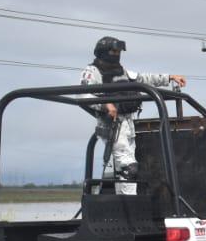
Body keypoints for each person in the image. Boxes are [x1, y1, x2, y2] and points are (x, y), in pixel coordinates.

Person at [80, 37, 186, 189]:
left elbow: (143, 79)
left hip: (128, 123)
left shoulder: (121, 71)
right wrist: (105, 105)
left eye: (118, 51)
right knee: (128, 168)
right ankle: (127, 200)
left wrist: (169, 78)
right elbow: (83, 94)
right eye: (114, 51)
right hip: (111, 124)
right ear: (103, 51)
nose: (117, 54)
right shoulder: (92, 71)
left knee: (126, 170)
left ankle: (125, 200)